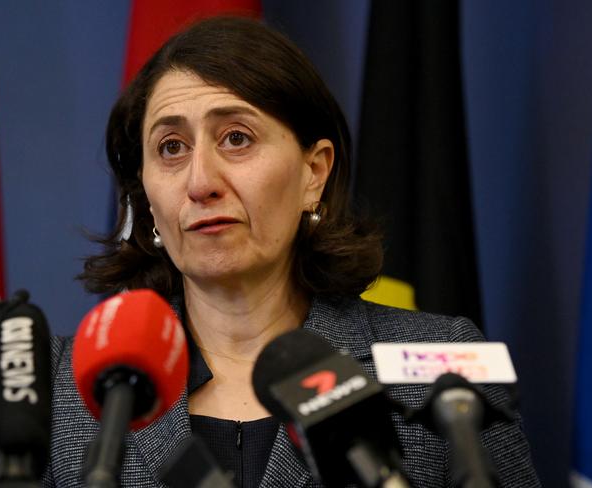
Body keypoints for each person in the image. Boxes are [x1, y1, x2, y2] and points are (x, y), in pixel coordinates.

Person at [43, 16, 540, 487]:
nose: (200, 183)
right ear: (144, 195)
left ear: (314, 174)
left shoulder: (441, 362)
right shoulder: (63, 387)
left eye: (236, 138)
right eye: (171, 147)